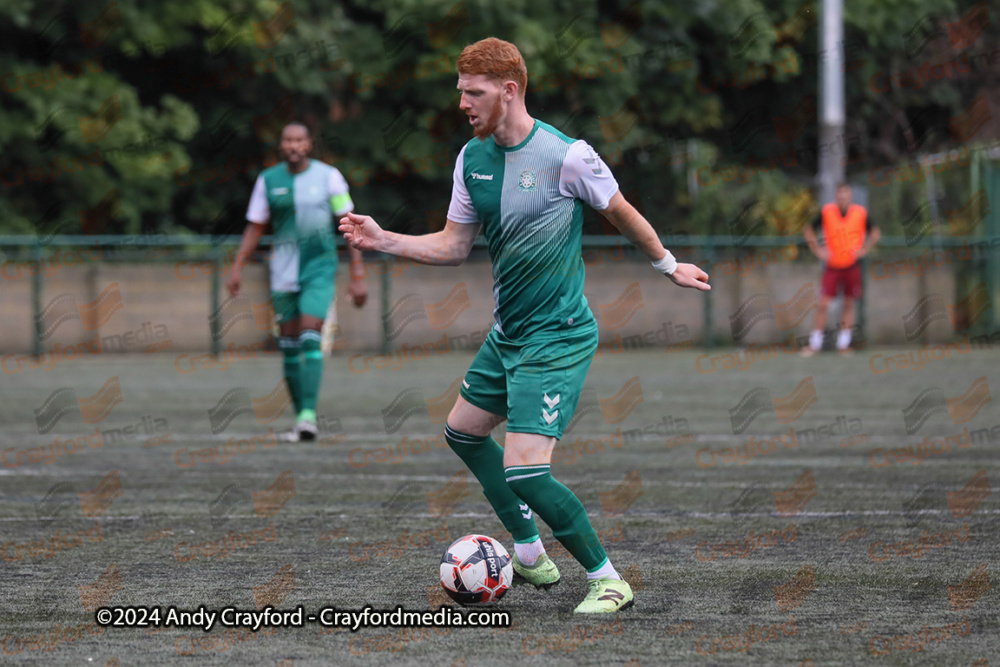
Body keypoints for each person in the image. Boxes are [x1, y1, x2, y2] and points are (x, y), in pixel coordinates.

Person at [339, 38, 710, 613]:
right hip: (508, 334)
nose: (462, 102)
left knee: (527, 472)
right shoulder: (472, 159)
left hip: (557, 336)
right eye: (460, 91)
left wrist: (668, 265)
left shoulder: (568, 155)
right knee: (463, 432)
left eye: (473, 92)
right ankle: (531, 551)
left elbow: (620, 210)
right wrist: (383, 238)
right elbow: (454, 244)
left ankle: (608, 579)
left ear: (508, 91)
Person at [228, 122, 367, 440]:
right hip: (283, 273)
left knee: (309, 336)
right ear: (281, 145)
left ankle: (307, 418)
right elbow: (255, 226)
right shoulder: (268, 180)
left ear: (308, 144)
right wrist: (236, 267)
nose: (293, 145)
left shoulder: (328, 177)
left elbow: (349, 223)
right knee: (289, 346)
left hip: (319, 269)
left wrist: (358, 276)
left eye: (299, 140)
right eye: (288, 140)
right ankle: (300, 417)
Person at [801, 182, 880, 356]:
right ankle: (814, 344)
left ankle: (843, 344)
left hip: (852, 265)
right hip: (832, 266)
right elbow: (809, 230)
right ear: (836, 196)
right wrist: (818, 250)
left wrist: (864, 250)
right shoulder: (827, 212)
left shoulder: (860, 213)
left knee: (849, 304)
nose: (842, 197)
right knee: (822, 304)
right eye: (840, 194)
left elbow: (875, 233)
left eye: (846, 194)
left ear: (850, 196)